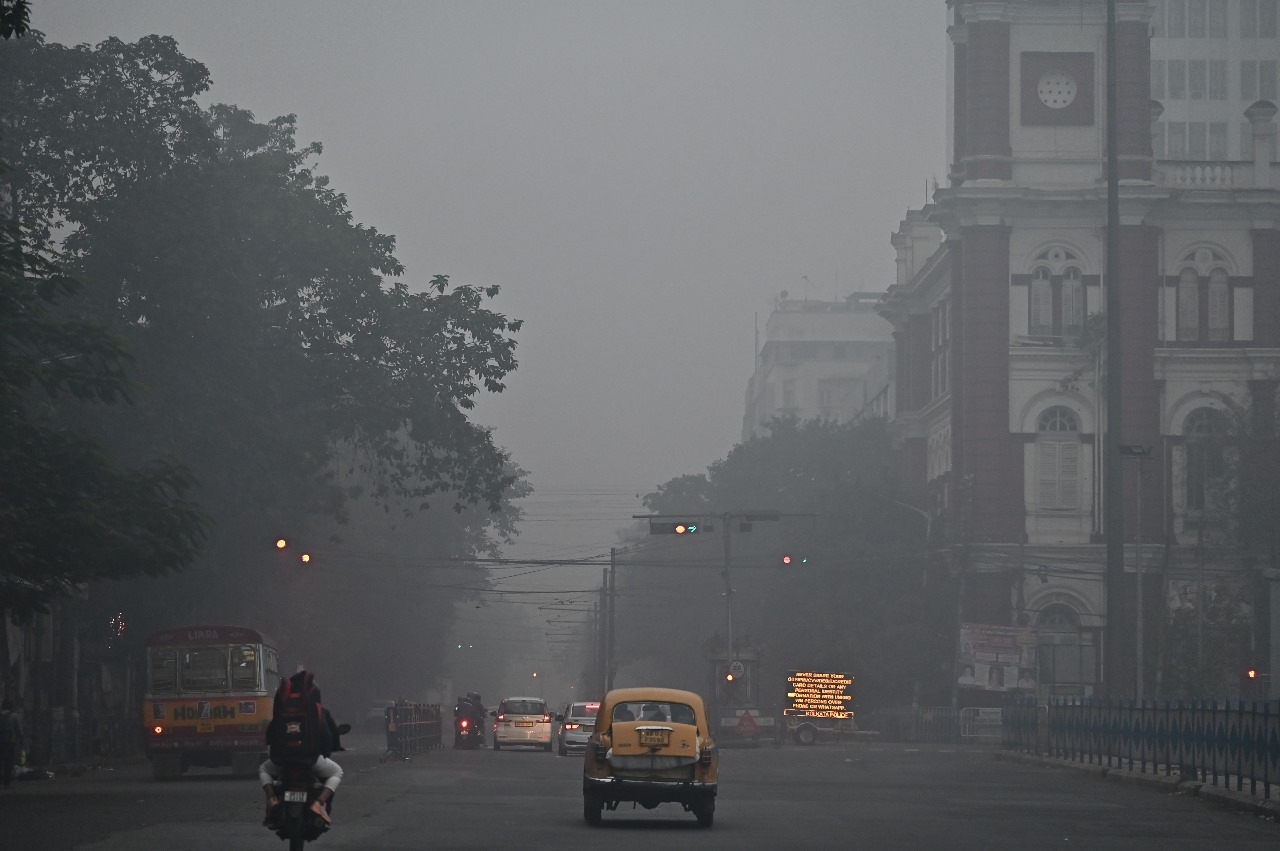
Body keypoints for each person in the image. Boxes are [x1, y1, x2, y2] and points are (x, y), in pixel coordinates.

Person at [260, 671, 344, 827]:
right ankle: (320, 803)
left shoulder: (282, 710)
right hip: (310, 760)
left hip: (283, 760)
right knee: (337, 772)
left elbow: (270, 735)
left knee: (264, 769)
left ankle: (272, 798)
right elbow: (326, 735)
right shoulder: (319, 712)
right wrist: (326, 751)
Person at [0, 700, 23, 789]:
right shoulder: (14, 716)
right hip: (10, 742)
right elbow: (18, 730)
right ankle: (6, 782)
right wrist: (21, 739)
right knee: (8, 762)